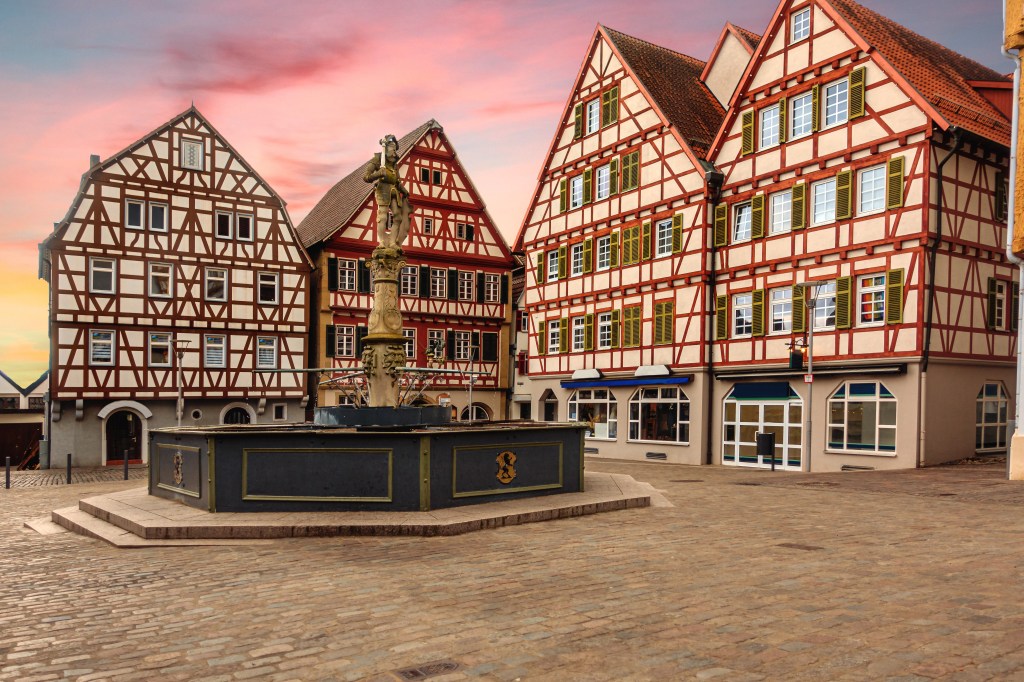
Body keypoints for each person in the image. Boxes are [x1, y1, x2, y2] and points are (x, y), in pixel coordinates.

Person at [363, 134, 413, 248]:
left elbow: (397, 181)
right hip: (383, 190)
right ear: (386, 148)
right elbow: (366, 177)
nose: (394, 150)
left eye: (395, 148)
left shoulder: (394, 164)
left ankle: (392, 242)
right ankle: (382, 242)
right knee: (382, 217)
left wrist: (404, 190)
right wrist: (378, 173)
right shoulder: (377, 159)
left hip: (394, 191)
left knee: (398, 217)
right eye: (391, 147)